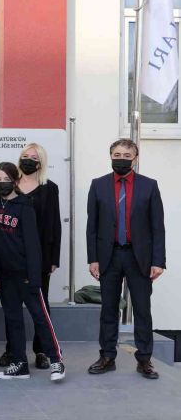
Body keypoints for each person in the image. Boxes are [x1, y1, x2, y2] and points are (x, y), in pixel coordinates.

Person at [86, 139, 165, 379]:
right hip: (108, 256)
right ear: (111, 156)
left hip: (139, 256)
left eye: (126, 155)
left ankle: (145, 360)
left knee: (142, 309)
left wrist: (158, 261)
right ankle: (107, 356)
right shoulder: (98, 185)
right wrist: (93, 258)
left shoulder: (149, 186)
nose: (121, 159)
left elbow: (157, 227)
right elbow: (92, 226)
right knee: (108, 309)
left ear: (135, 158)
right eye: (117, 154)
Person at [0, 162, 65, 382]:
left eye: (6, 179)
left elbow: (33, 245)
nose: (2, 183)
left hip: (26, 274)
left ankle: (56, 360)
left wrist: (34, 277)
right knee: (13, 319)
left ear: (15, 181)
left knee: (40, 318)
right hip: (5, 276)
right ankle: (19, 363)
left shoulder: (25, 206)